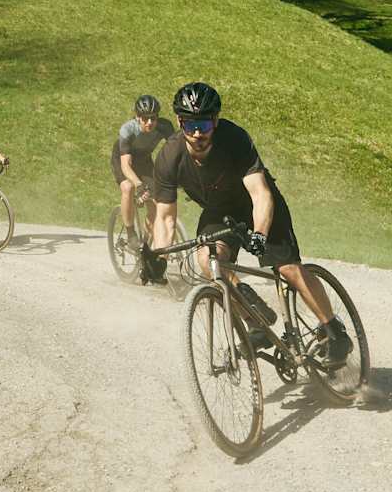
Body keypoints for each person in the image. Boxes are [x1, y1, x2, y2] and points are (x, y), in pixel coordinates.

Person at [144, 82, 352, 362]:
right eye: (191, 124)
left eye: (204, 125)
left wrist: (260, 235)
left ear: (215, 122)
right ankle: (257, 319)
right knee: (209, 260)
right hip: (220, 210)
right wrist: (158, 254)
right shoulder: (169, 158)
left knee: (288, 268)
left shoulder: (234, 139)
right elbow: (166, 219)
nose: (197, 133)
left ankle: (334, 331)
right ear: (180, 122)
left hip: (256, 204)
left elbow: (260, 193)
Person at [110, 94, 175, 249]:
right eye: (145, 118)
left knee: (156, 202)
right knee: (128, 187)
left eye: (153, 118)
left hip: (144, 161)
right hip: (122, 159)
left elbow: (176, 152)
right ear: (137, 117)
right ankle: (131, 233)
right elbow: (126, 165)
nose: (150, 122)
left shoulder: (165, 127)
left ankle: (145, 244)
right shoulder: (128, 130)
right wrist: (139, 184)